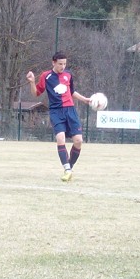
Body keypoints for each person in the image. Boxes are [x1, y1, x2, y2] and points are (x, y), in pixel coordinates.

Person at [26, 52, 91, 182]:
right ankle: (67, 169)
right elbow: (36, 93)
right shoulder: (46, 76)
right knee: (60, 138)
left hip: (70, 111)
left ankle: (69, 168)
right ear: (53, 63)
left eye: (65, 64)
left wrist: (85, 99)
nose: (63, 66)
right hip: (56, 111)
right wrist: (32, 82)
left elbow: (71, 92)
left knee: (78, 141)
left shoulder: (68, 75)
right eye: (60, 64)